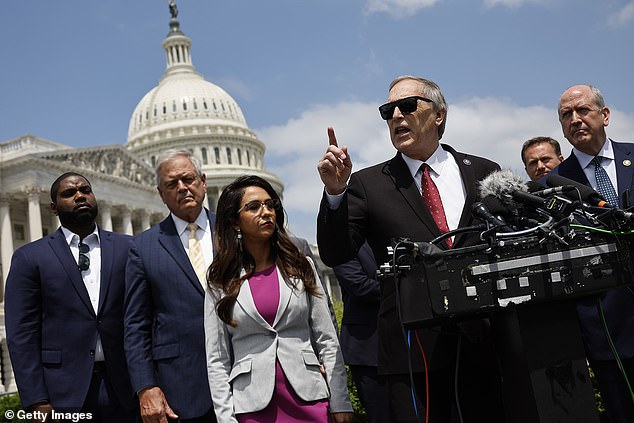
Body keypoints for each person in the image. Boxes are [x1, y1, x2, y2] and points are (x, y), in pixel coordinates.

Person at [316, 75, 504, 422]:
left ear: (439, 115)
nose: (396, 117)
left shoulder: (484, 172)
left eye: (407, 106)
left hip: (485, 345)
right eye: (388, 111)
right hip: (413, 354)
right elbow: (336, 252)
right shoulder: (368, 184)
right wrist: (335, 194)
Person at [204, 175, 353, 423]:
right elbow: (217, 359)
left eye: (270, 204)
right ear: (235, 222)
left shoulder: (300, 265)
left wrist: (340, 399)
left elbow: (326, 338)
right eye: (254, 207)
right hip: (251, 405)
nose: (266, 212)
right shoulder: (220, 279)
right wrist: (225, 418)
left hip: (308, 397)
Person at [4, 172, 137, 421]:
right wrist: (36, 400)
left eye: (85, 190)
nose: (80, 196)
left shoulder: (128, 248)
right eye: (69, 193)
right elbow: (22, 335)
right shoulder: (30, 257)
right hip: (62, 392)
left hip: (125, 387)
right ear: (53, 208)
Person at [548, 84, 634, 423]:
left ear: (605, 115)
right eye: (566, 115)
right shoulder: (551, 186)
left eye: (583, 110)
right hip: (607, 331)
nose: (575, 119)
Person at [124, 149, 217, 422]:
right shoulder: (143, 248)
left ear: (202, 181)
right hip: (181, 390)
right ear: (160, 193)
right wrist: (145, 386)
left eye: (188, 179)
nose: (182, 188)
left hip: (247, 382)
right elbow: (136, 326)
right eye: (171, 184)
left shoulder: (235, 231)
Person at [332, 242, 393, 422]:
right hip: (367, 350)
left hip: (406, 343)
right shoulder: (342, 244)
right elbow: (358, 285)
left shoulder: (390, 236)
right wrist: (402, 288)